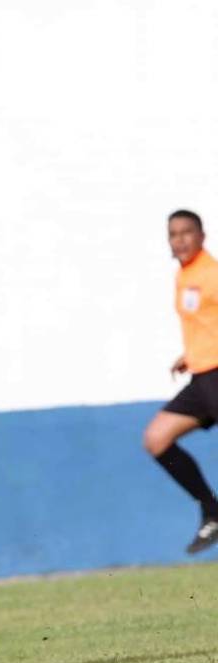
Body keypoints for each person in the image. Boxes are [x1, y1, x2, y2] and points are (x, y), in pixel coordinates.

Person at [144, 209, 218, 554]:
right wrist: (189, 353)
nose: (180, 240)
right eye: (174, 234)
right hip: (201, 377)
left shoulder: (211, 273)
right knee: (157, 439)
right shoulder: (183, 275)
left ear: (202, 235)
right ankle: (211, 508)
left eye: (187, 232)